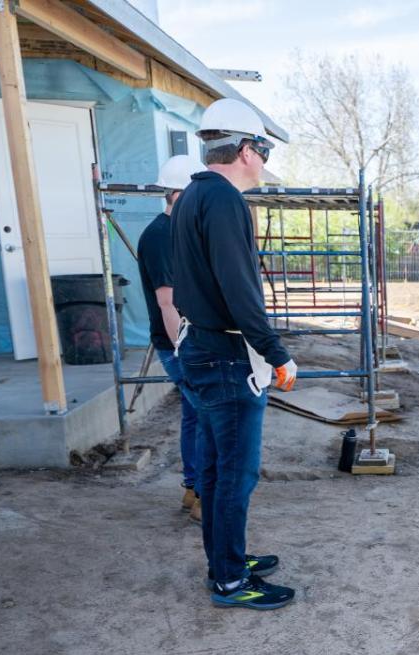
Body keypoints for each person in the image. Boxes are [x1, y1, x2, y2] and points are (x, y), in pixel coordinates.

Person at [171, 98, 298, 611]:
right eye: (263, 150)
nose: (264, 161)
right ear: (246, 149)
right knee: (234, 474)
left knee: (216, 469)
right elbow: (239, 288)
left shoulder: (193, 198)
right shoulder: (223, 202)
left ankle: (226, 559)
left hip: (203, 347)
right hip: (226, 356)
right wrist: (276, 352)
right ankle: (229, 579)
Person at [138, 155, 204, 522]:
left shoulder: (175, 232)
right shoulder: (161, 237)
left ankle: (192, 489)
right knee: (208, 415)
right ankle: (203, 496)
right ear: (178, 195)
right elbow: (167, 303)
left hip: (185, 342)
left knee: (196, 415)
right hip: (178, 344)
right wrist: (185, 349)